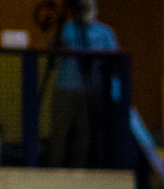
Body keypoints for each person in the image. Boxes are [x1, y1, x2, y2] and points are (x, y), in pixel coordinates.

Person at [48, 0, 119, 168]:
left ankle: (79, 171)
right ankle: (53, 168)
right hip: (65, 88)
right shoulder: (65, 29)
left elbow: (115, 62)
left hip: (91, 91)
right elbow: (50, 51)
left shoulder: (105, 32)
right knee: (59, 132)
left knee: (84, 135)